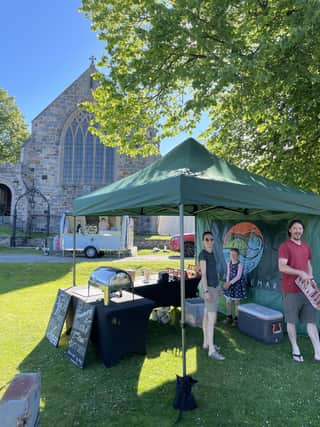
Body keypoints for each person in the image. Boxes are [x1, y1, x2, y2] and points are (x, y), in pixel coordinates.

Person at [278, 219, 320, 362]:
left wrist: (311, 277)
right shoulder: (285, 246)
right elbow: (282, 267)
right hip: (291, 290)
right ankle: (295, 348)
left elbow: (308, 264)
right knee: (291, 321)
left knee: (311, 321)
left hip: (307, 291)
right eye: (295, 228)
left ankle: (318, 352)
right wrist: (300, 273)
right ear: (290, 230)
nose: (298, 231)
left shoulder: (306, 247)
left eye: (300, 228)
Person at [199, 231, 225, 360]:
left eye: (211, 239)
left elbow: (214, 273)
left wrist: (219, 287)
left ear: (214, 241)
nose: (209, 241)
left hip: (214, 288)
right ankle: (211, 350)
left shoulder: (212, 254)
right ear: (203, 241)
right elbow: (203, 274)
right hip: (208, 289)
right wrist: (206, 291)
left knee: (207, 316)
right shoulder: (203, 254)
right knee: (212, 319)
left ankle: (206, 343)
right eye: (206, 239)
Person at [223, 248, 247, 326]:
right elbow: (228, 274)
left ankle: (236, 319)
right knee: (228, 301)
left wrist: (230, 283)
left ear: (238, 256)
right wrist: (227, 282)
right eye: (231, 254)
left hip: (237, 285)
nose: (233, 256)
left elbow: (238, 276)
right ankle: (229, 316)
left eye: (234, 254)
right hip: (229, 284)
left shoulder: (240, 264)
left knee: (237, 302)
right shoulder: (228, 263)